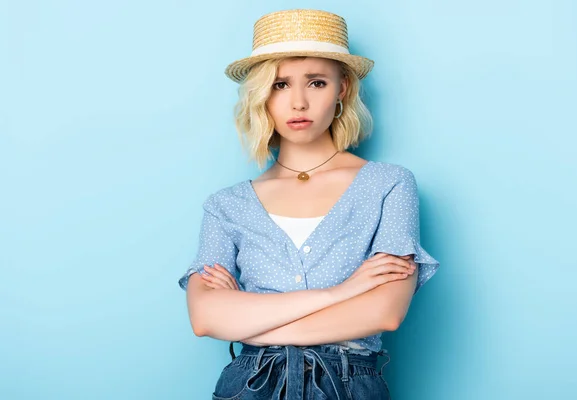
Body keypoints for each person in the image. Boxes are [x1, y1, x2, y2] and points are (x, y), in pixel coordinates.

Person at [177, 8, 440, 400]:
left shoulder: (388, 184)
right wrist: (340, 292)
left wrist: (247, 321)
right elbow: (204, 318)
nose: (298, 102)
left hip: (349, 384)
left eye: (316, 82)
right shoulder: (225, 206)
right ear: (261, 95)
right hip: (250, 384)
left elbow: (384, 312)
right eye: (280, 85)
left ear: (342, 89)